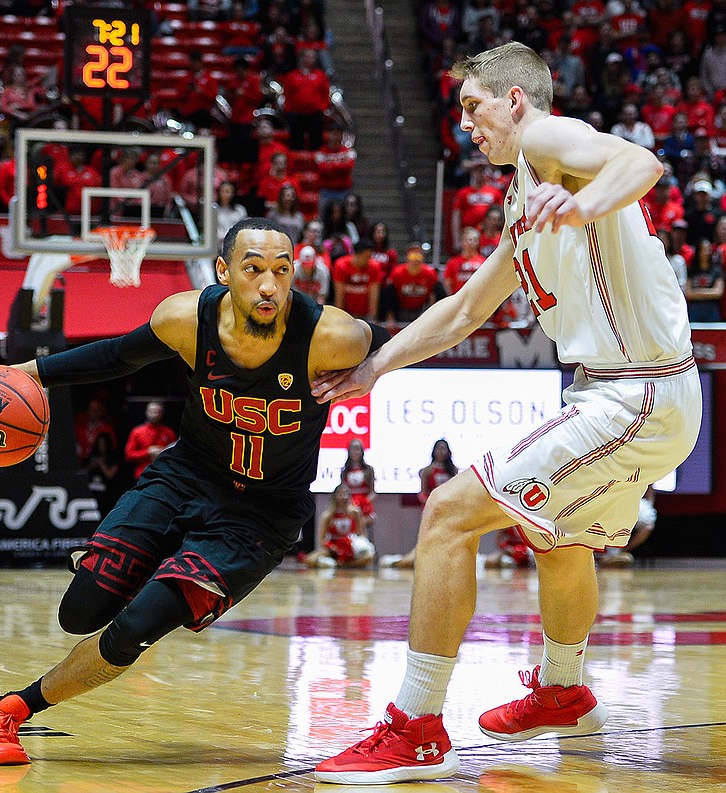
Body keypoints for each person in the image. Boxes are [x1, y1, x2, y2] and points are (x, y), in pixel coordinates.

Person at [312, 42, 701, 784]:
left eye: (473, 106)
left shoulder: (549, 141)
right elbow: (463, 309)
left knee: (449, 512)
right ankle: (563, 687)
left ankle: (415, 726)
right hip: (630, 390)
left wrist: (581, 202)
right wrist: (375, 368)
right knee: (558, 538)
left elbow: (642, 162)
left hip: (633, 390)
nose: (466, 125)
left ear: (516, 100)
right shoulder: (524, 197)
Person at [0, 217, 389, 767]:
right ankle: (155, 572)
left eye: (282, 271)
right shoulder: (185, 319)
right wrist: (25, 372)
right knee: (79, 613)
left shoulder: (330, 336)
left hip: (261, 516)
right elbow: (117, 355)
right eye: (254, 269)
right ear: (223, 272)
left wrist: (375, 368)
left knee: (132, 632)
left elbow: (392, 339)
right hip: (186, 477)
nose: (269, 285)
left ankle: (10, 710)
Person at [379, 439, 459, 570]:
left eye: (444, 449)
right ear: (433, 451)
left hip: (448, 509)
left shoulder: (453, 470)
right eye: (438, 448)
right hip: (431, 508)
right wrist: (432, 504)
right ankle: (405, 561)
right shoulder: (427, 471)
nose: (441, 452)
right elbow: (422, 494)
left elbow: (456, 490)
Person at [303, 484, 375, 568]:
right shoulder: (328, 515)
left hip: (351, 548)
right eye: (341, 494)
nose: (344, 497)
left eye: (346, 494)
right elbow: (322, 540)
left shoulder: (355, 513)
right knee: (310, 560)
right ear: (335, 497)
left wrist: (356, 546)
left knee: (369, 557)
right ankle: (339, 563)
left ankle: (340, 565)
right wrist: (333, 548)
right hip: (334, 548)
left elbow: (361, 535)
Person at [123, 401, 178, 481]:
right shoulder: (137, 431)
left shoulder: (169, 432)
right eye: (151, 411)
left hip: (163, 475)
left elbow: (176, 455)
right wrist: (147, 452)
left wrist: (163, 452)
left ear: (162, 413)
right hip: (142, 475)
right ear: (146, 412)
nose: (154, 414)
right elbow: (128, 455)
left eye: (157, 412)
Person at [339, 437, 376, 535]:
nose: (355, 452)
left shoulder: (369, 470)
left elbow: (373, 492)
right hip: (349, 505)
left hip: (364, 506)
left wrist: (364, 502)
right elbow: (342, 491)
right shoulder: (344, 471)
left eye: (358, 449)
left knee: (364, 531)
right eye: (353, 449)